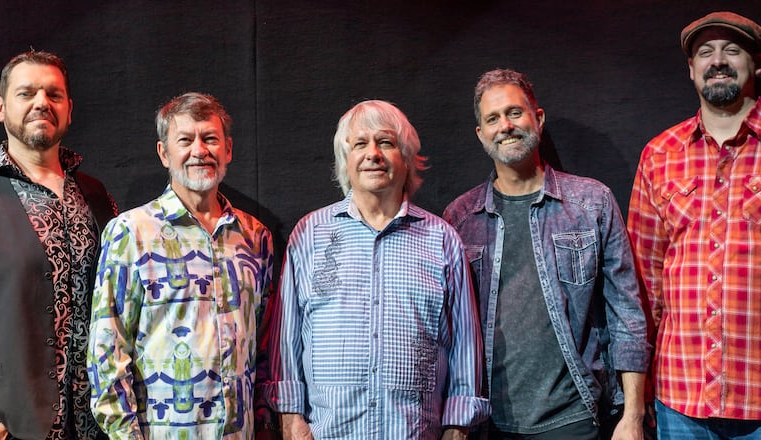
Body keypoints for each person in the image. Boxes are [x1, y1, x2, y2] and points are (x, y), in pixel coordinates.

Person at [443, 69, 651, 440]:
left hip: (572, 417)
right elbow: (449, 332)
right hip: (488, 423)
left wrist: (633, 414)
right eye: (493, 119)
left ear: (538, 119)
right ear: (481, 134)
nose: (505, 126)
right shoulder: (459, 219)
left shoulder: (592, 203)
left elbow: (626, 312)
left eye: (514, 112)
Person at [268, 100, 490, 440]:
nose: (373, 154)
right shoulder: (309, 234)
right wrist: (290, 417)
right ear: (346, 160)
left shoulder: (442, 239)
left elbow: (465, 343)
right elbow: (287, 337)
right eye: (360, 143)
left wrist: (457, 427)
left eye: (385, 142)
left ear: (406, 158)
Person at [627, 11, 761, 439]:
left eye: (732, 50)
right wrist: (638, 392)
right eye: (705, 52)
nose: (718, 61)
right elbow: (643, 284)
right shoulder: (659, 155)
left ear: (756, 63)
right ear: (691, 68)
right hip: (681, 398)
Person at [87, 93, 274, 439]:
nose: (199, 151)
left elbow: (262, 346)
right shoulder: (131, 233)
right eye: (185, 140)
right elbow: (106, 353)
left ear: (228, 149)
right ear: (164, 153)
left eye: (210, 138)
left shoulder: (256, 237)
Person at [0, 50, 116, 440]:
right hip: (14, 423)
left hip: (96, 421)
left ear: (69, 109)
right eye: (26, 93)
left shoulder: (96, 195)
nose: (42, 102)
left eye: (54, 94)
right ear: (0, 108)